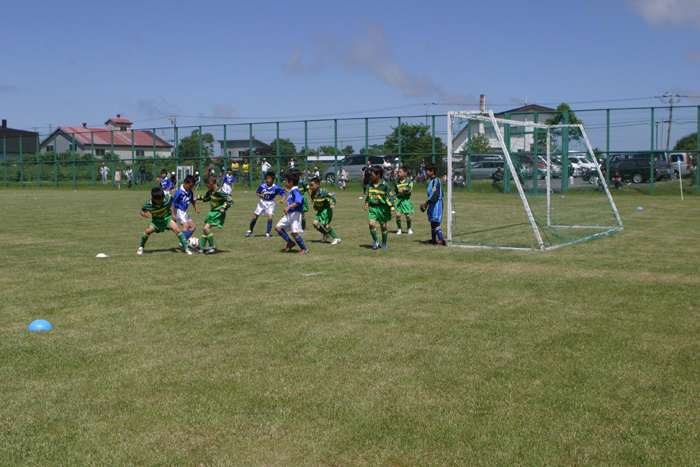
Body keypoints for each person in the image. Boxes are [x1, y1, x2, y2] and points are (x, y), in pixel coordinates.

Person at [137, 186, 192, 255]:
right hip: (156, 222)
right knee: (147, 231)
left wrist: (172, 214)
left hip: (167, 219)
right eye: (159, 200)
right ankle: (141, 248)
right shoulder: (148, 204)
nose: (161, 201)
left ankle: (186, 249)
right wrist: (144, 214)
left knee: (177, 230)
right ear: (154, 199)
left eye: (162, 198)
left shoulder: (167, 198)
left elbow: (173, 203)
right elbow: (142, 211)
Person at [195, 174, 233, 254]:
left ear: (211, 183)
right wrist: (198, 197)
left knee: (206, 228)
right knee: (204, 228)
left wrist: (224, 207)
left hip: (217, 212)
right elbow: (206, 198)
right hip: (211, 212)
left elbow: (229, 198)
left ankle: (213, 247)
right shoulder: (211, 191)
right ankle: (202, 248)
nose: (206, 187)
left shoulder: (220, 191)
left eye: (206, 185)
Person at [275, 172, 309, 254]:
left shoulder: (295, 191)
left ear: (290, 183)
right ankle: (290, 242)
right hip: (290, 214)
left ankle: (304, 249)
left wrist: (288, 207)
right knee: (278, 227)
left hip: (295, 213)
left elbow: (298, 201)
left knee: (294, 233)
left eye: (286, 181)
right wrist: (287, 211)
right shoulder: (292, 191)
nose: (285, 183)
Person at [246, 171, 287, 238]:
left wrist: (283, 199)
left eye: (269, 178)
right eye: (267, 178)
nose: (267, 180)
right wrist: (260, 195)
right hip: (262, 202)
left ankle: (267, 233)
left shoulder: (276, 187)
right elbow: (257, 192)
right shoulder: (262, 186)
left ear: (273, 179)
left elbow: (283, 193)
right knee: (255, 217)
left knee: (270, 218)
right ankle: (250, 230)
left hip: (270, 203)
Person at [364, 165, 395, 250]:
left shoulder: (385, 185)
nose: (371, 175)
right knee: (371, 224)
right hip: (373, 207)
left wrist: (392, 208)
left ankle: (384, 243)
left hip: (383, 208)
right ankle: (376, 241)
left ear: (378, 174)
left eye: (372, 174)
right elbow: (368, 197)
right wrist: (367, 203)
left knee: (383, 226)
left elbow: (390, 197)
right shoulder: (370, 185)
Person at [309, 176, 341, 245]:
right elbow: (315, 201)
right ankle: (326, 234)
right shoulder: (313, 193)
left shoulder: (323, 192)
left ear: (317, 185)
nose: (311, 187)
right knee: (315, 223)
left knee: (325, 225)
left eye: (312, 185)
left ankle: (337, 238)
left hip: (326, 210)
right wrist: (315, 206)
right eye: (310, 185)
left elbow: (332, 197)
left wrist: (332, 203)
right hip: (320, 211)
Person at [171, 175, 200, 250]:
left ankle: (183, 241)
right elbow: (173, 204)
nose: (191, 188)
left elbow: (192, 201)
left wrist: (196, 208)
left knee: (193, 227)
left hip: (185, 211)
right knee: (186, 226)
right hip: (178, 211)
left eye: (192, 186)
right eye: (190, 186)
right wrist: (173, 214)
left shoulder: (190, 191)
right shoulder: (179, 192)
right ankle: (184, 245)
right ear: (185, 183)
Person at [420, 163, 446, 246]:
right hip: (432, 203)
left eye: (428, 171)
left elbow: (435, 193)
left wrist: (426, 203)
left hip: (437, 203)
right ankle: (433, 240)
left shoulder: (436, 180)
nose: (426, 172)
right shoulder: (432, 181)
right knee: (432, 221)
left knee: (435, 221)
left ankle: (441, 240)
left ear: (432, 171)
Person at [394, 166, 414, 235]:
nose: (399, 173)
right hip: (399, 200)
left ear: (405, 173)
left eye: (400, 172)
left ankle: (409, 228)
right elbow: (395, 192)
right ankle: (399, 229)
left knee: (407, 216)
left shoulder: (409, 181)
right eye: (398, 172)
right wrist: (394, 198)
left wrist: (404, 190)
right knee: (398, 215)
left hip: (406, 200)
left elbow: (410, 188)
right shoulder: (397, 182)